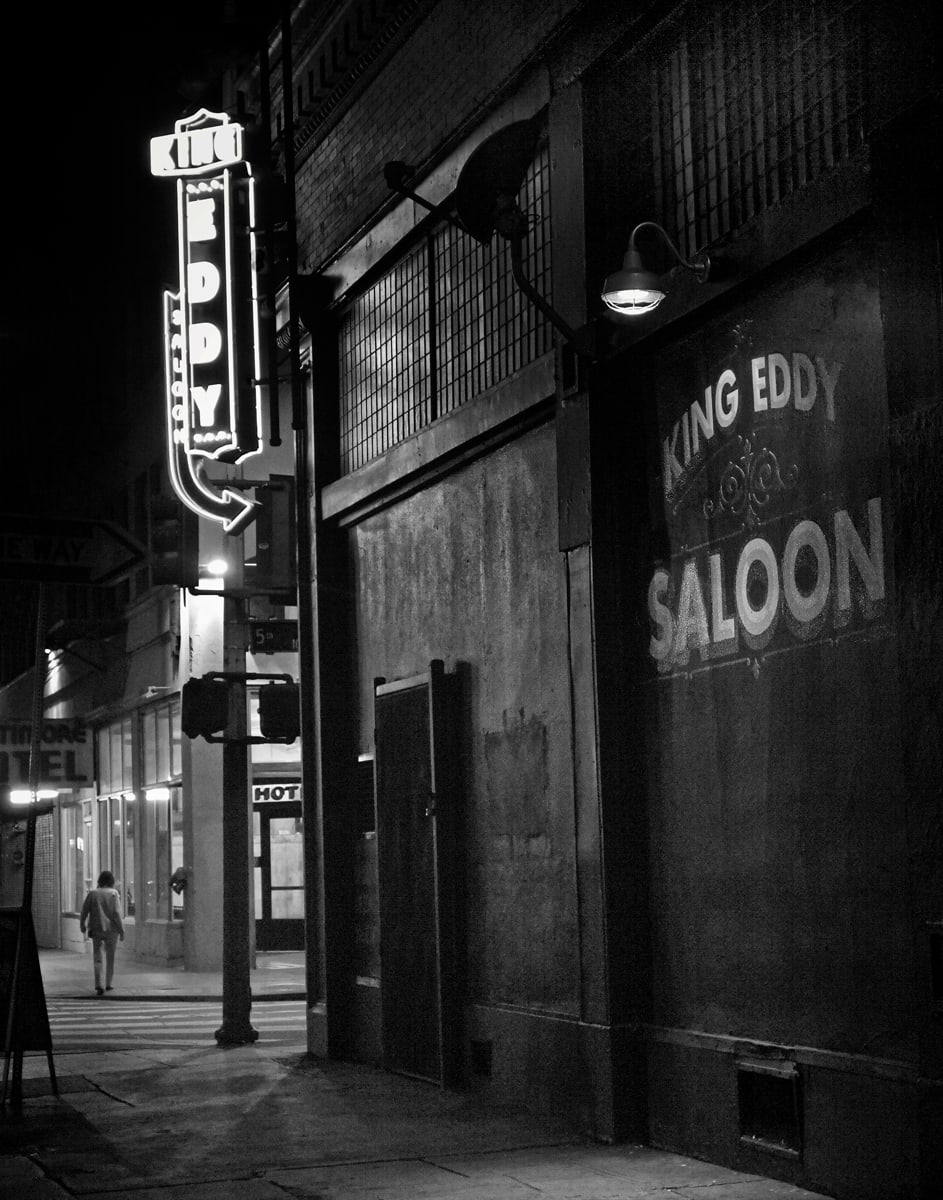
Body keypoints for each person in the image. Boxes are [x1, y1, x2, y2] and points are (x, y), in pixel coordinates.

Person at [80, 870, 125, 996]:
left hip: (96, 929)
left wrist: (82, 924)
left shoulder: (93, 894)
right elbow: (116, 914)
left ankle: (98, 984)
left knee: (97, 957)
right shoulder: (113, 894)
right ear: (111, 881)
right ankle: (109, 983)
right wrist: (122, 930)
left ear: (100, 880)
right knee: (110, 957)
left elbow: (84, 910)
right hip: (112, 930)